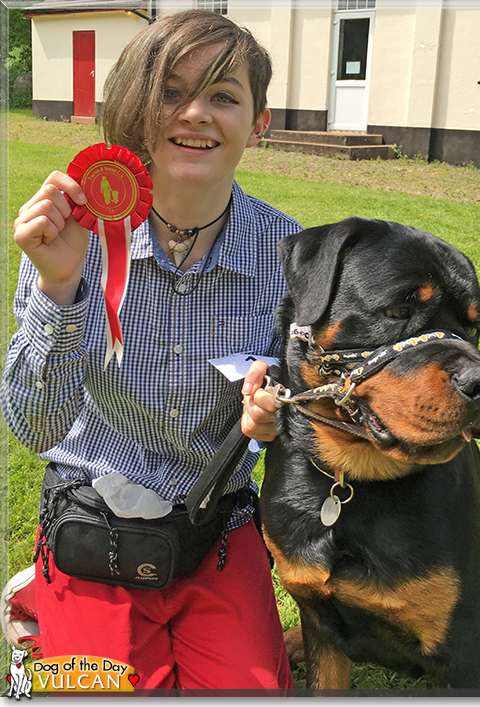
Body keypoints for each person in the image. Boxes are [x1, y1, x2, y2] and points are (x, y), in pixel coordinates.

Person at [0, 10, 301, 691]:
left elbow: (306, 413)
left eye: (224, 95)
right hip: (93, 525)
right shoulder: (72, 234)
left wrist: (279, 418)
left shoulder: (294, 258)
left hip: (215, 530)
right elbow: (37, 427)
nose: (195, 113)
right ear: (135, 107)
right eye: (170, 90)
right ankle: (42, 599)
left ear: (259, 123)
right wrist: (58, 286)